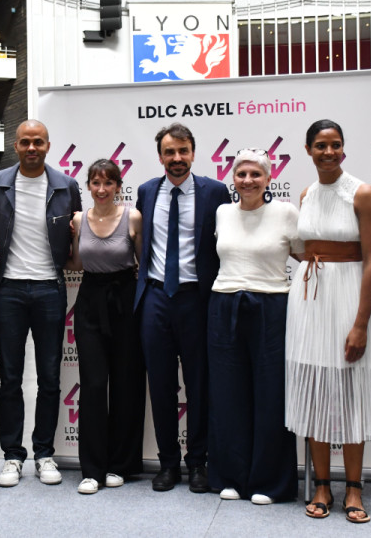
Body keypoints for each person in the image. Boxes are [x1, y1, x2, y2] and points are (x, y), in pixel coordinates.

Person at [285, 119, 371, 523]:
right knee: (314, 390)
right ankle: (322, 485)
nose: (329, 152)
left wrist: (360, 323)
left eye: (335, 144)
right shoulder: (306, 194)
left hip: (348, 299)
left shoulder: (363, 193)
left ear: (343, 148)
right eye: (321, 145)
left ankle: (354, 488)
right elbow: (304, 248)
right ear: (308, 150)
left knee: (351, 391)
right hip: (309, 300)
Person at [0, 119, 82, 487]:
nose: (32, 148)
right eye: (25, 142)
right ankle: (12, 455)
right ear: (16, 145)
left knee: (50, 378)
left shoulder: (66, 186)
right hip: (7, 291)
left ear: (48, 145)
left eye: (38, 141)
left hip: (50, 290)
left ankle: (44, 453)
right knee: (10, 379)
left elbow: (76, 235)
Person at [135, 123, 231, 493]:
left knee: (199, 384)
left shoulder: (215, 192)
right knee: (160, 386)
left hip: (197, 299)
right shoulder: (147, 192)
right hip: (156, 298)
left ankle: (198, 463)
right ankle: (168, 464)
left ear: (193, 152)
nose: (177, 158)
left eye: (183, 151)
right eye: (169, 152)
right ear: (160, 156)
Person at [207, 149, 302, 505]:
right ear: (233, 178)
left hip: (271, 307)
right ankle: (230, 476)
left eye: (255, 174)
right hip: (224, 305)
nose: (248, 181)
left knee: (270, 395)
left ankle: (269, 482)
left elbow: (307, 257)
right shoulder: (222, 212)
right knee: (227, 394)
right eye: (241, 174)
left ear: (268, 178)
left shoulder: (286, 213)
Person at [64, 159, 145, 495]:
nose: (101, 189)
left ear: (118, 186)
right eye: (95, 183)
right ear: (88, 186)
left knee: (126, 383)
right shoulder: (78, 220)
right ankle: (92, 469)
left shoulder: (133, 217)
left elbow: (143, 263)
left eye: (108, 183)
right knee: (94, 385)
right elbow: (76, 263)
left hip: (125, 300)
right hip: (90, 301)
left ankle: (120, 465)